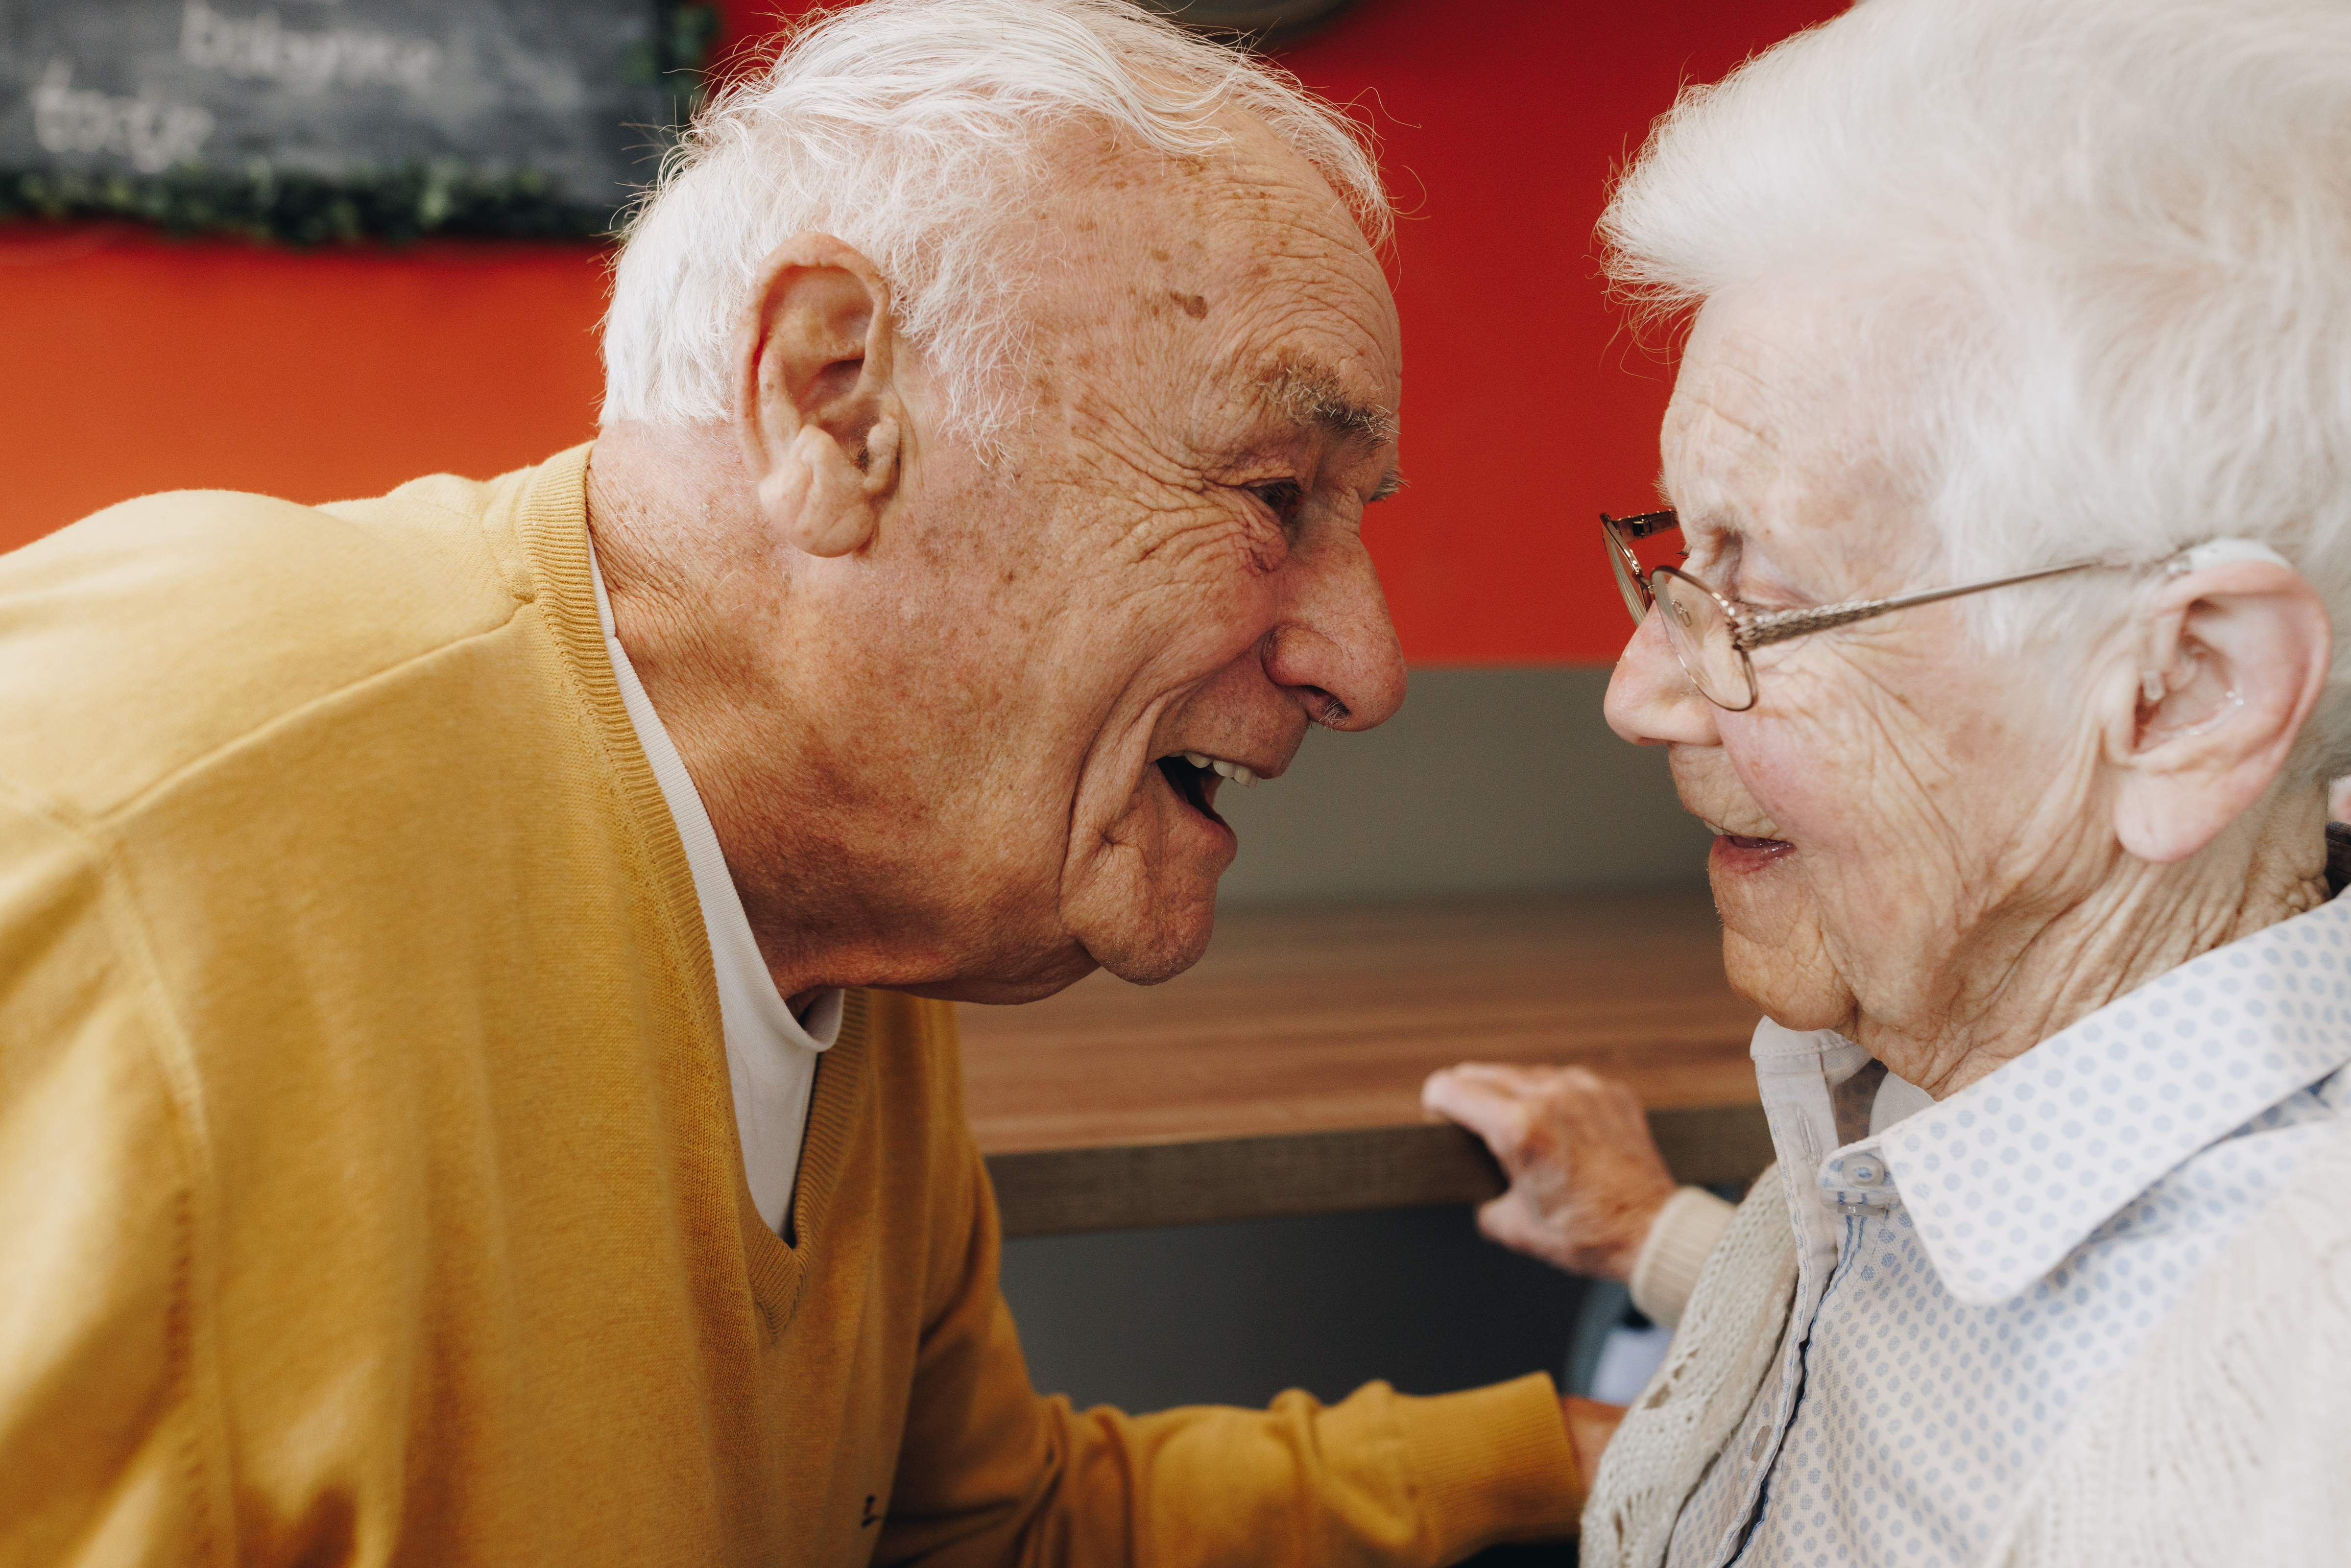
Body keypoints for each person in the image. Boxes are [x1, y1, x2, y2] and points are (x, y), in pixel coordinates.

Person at [0, 2, 1595, 1561]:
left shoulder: (857, 890)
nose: (1366, 665)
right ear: (834, 399)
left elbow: (972, 1528)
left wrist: (1573, 1457)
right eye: (1275, 492)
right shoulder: (142, 830)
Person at [1427, 0, 2351, 1563]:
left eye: (1763, 591)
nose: (1640, 689)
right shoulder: (1935, 1076)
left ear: (2185, 690)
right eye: (1672, 554)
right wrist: (1665, 1239)